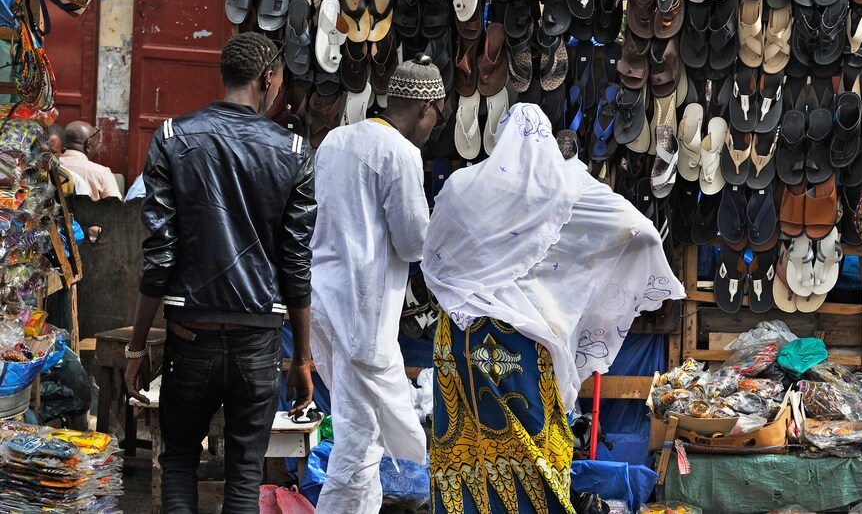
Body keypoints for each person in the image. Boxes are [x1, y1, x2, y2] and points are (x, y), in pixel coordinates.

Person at [422, 103, 685, 513]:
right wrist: (566, 271)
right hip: (522, 345)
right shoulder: (564, 191)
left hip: (457, 339)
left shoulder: (461, 186)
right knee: (533, 454)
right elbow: (642, 230)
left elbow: (433, 262)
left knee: (463, 451)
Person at [123, 32, 316, 514]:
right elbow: (296, 263)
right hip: (258, 340)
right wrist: (303, 360)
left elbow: (160, 257)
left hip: (190, 336)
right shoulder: (293, 152)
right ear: (267, 78)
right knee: (245, 476)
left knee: (180, 462)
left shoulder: (172, 137)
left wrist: (136, 345)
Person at [309, 56, 446, 513]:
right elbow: (412, 243)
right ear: (424, 110)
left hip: (323, 302)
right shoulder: (401, 154)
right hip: (364, 314)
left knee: (357, 428)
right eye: (436, 117)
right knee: (360, 436)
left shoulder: (335, 140)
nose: (433, 129)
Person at [61, 121, 122, 201]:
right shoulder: (102, 173)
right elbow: (116, 208)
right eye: (96, 145)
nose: (97, 149)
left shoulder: (48, 166)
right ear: (88, 146)